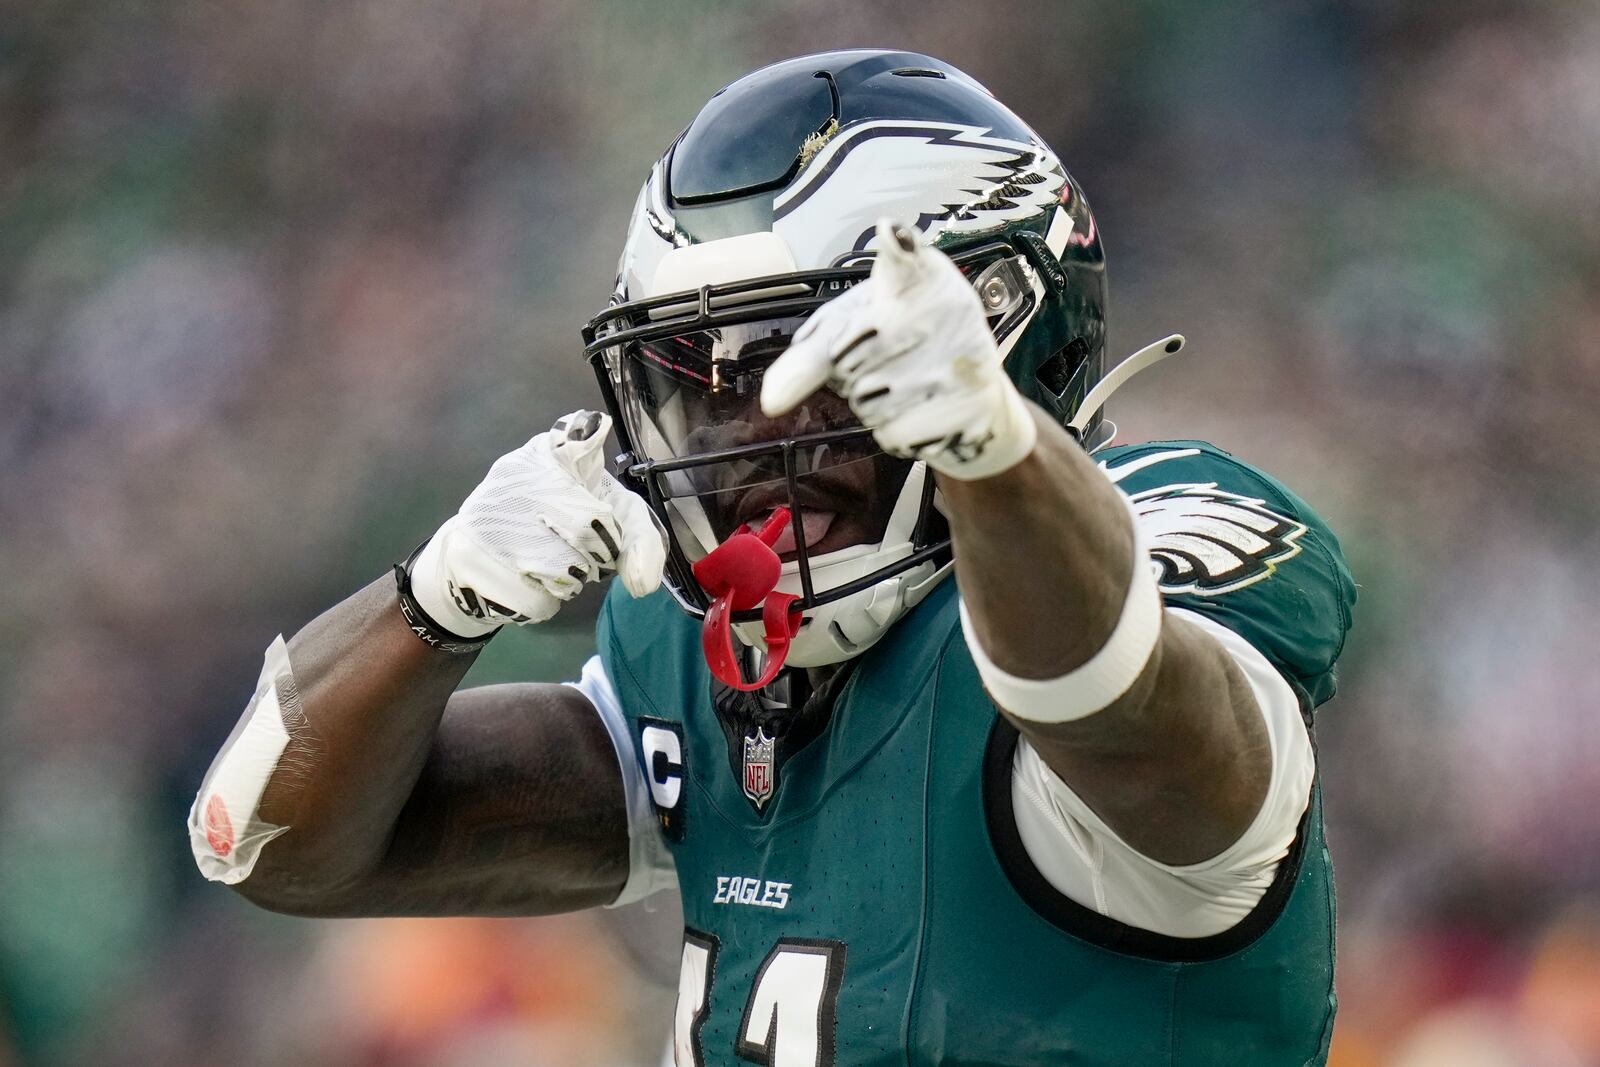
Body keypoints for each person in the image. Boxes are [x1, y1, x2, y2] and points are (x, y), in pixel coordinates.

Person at [191, 49, 1356, 1066]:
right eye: (701, 380)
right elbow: (269, 845)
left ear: (993, 325)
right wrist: (433, 602)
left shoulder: (1166, 531)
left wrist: (998, 457)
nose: (749, 438)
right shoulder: (708, 652)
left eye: (801, 361)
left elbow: (1114, 701)